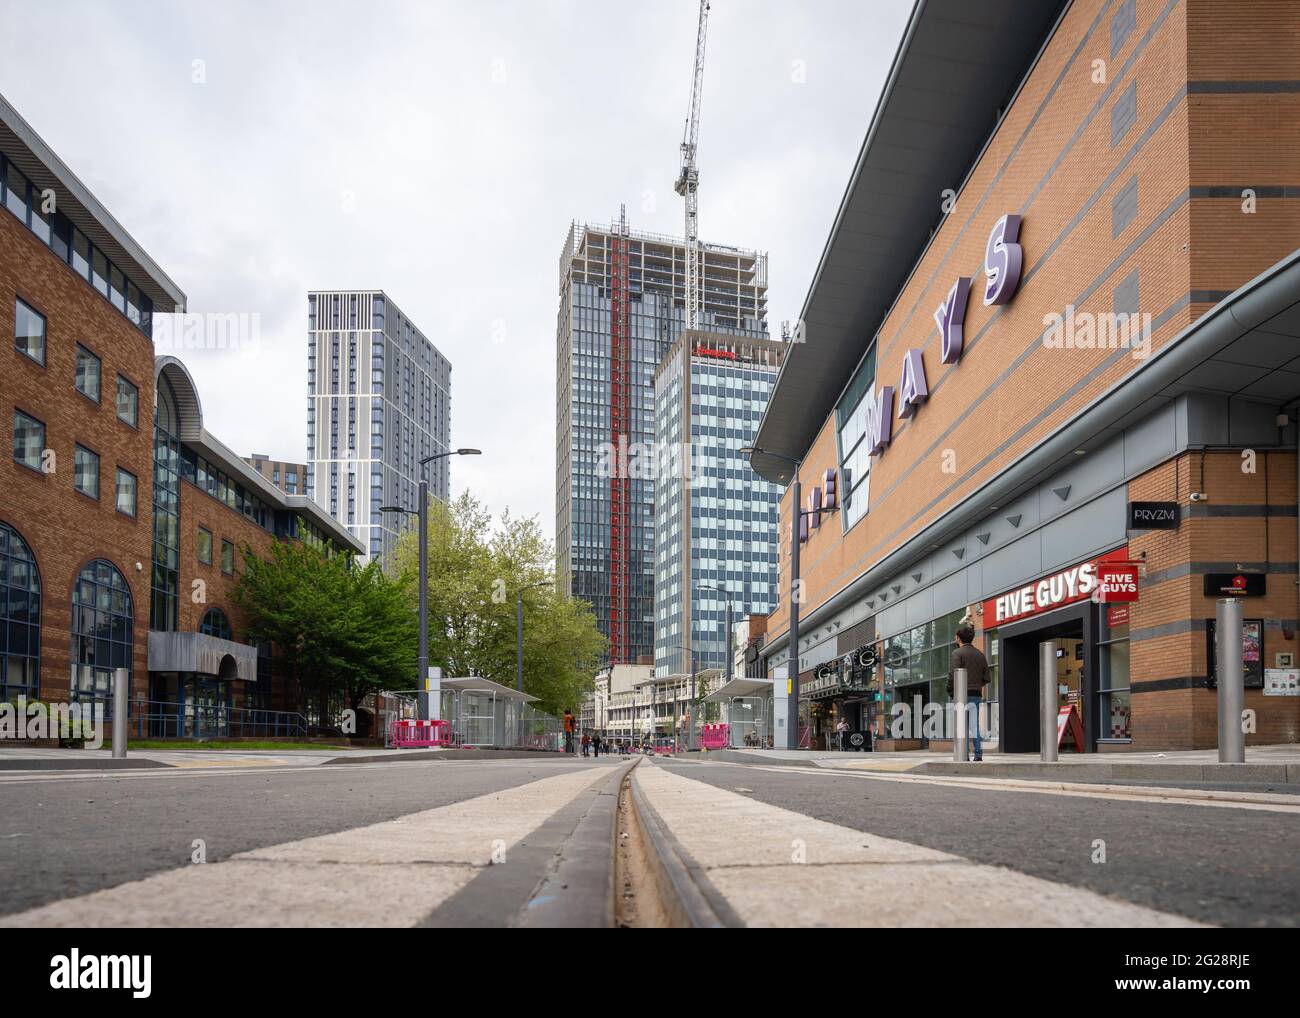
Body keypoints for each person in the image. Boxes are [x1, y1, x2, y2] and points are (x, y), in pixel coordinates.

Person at [946, 621, 989, 761]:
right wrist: (976, 685)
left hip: (961, 695)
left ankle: (963, 754)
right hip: (976, 694)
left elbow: (953, 674)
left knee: (961, 725)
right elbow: (986, 678)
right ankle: (978, 754)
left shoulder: (957, 653)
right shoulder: (980, 655)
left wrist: (950, 689)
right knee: (974, 724)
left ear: (958, 638)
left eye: (955, 637)